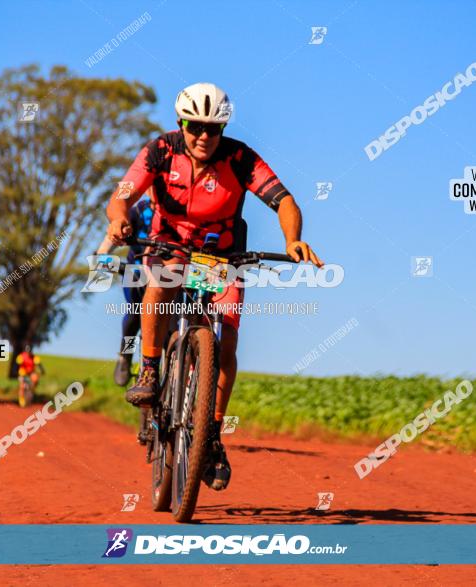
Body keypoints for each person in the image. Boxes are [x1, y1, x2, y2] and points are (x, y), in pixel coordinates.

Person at [105, 82, 323, 491]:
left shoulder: (239, 158)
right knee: (161, 282)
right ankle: (150, 371)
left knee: (226, 344)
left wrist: (292, 239)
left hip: (220, 256)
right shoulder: (160, 151)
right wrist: (118, 218)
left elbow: (284, 200)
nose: (204, 136)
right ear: (180, 123)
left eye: (214, 128)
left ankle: (212, 435)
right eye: (195, 126)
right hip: (166, 245)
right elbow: (121, 194)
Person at [96, 197, 155, 386]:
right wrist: (103, 253)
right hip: (137, 273)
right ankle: (126, 354)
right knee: (135, 314)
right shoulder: (139, 211)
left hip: (167, 275)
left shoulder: (178, 210)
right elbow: (117, 229)